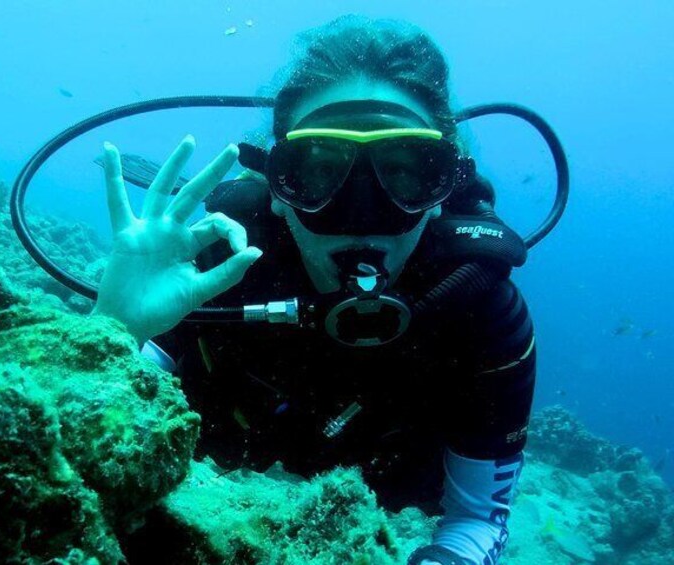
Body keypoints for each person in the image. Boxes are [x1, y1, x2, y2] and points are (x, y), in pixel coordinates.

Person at [93, 16, 536, 565]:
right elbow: (94, 431)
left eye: (404, 173)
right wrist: (112, 331)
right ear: (277, 188)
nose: (361, 215)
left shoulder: (481, 310)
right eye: (320, 170)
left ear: (442, 190)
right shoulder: (216, 264)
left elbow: (475, 520)